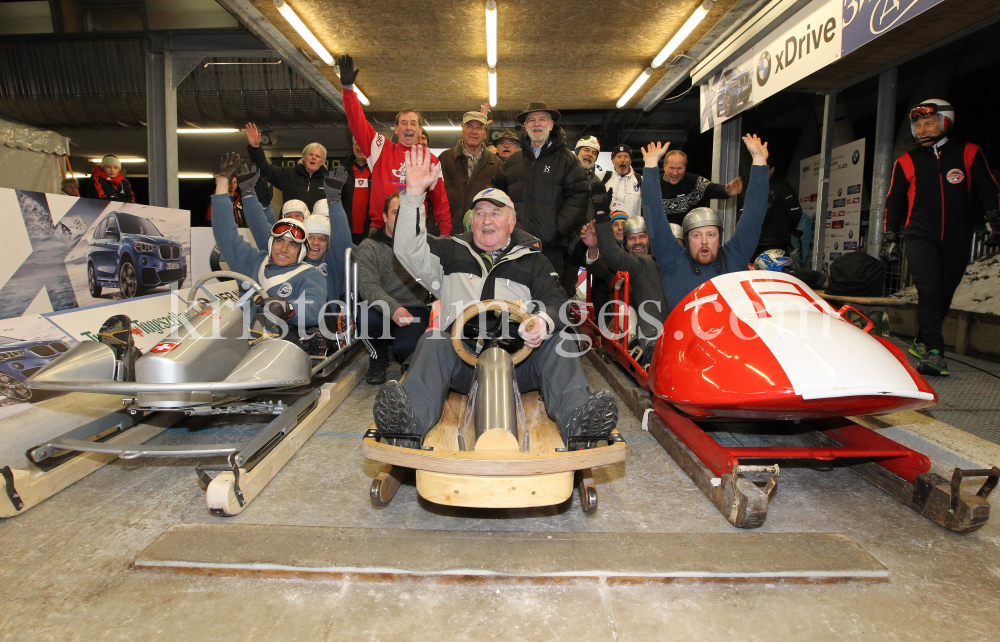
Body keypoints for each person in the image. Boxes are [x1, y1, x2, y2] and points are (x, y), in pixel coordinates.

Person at [375, 145, 618, 449]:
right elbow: (407, 249)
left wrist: (542, 321)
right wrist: (412, 195)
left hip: (520, 365)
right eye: (479, 214)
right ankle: (408, 426)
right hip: (461, 363)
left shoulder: (533, 261)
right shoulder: (450, 252)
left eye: (495, 213)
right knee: (432, 340)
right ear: (471, 221)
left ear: (511, 222)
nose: (486, 220)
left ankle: (579, 424)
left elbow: (557, 302)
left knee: (562, 341)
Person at [880, 99, 1000, 376]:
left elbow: (986, 187)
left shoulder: (970, 152)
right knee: (929, 288)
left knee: (945, 291)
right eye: (918, 124)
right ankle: (933, 352)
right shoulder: (906, 160)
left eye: (929, 123)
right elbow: (894, 200)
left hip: (959, 234)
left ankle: (922, 339)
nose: (922, 129)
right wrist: (890, 236)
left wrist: (994, 220)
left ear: (945, 122)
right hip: (920, 234)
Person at [634, 137, 770, 314]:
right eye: (697, 235)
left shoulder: (734, 258)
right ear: (687, 239)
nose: (704, 241)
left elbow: (754, 216)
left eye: (711, 235)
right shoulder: (672, 260)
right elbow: (654, 218)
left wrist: (759, 161)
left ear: (719, 238)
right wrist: (651, 165)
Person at [210, 153, 327, 340]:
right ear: (271, 242)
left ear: (301, 251)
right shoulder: (253, 263)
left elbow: (314, 308)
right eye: (279, 241)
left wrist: (288, 309)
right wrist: (223, 183)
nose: (283, 249)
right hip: (236, 339)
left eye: (292, 245)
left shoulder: (310, 274)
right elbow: (226, 234)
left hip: (280, 342)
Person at [337, 55, 452, 236]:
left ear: (420, 130)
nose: (408, 127)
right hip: (380, 230)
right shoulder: (380, 148)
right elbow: (357, 122)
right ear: (396, 129)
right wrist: (348, 90)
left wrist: (445, 236)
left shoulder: (431, 160)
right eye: (404, 123)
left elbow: (440, 202)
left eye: (413, 123)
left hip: (415, 230)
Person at [490, 101, 589, 295]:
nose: (537, 124)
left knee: (547, 304)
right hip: (514, 248)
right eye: (531, 120)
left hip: (550, 249)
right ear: (526, 126)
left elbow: (579, 196)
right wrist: (502, 225)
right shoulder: (513, 161)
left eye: (542, 119)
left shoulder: (568, 160)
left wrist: (556, 228)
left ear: (551, 125)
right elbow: (495, 192)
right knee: (513, 304)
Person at [240, 165, 356, 311]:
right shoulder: (286, 257)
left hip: (324, 325)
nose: (315, 243)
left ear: (328, 243)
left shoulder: (333, 264)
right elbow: (261, 230)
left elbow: (343, 242)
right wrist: (249, 195)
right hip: (285, 322)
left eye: (322, 239)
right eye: (310, 237)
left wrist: (334, 200)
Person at [357, 191, 433, 384]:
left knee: (408, 346)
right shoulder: (369, 246)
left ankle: (406, 361)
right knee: (365, 318)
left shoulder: (426, 244)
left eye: (406, 212)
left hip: (415, 306)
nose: (400, 217)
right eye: (395, 212)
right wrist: (393, 308)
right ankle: (377, 356)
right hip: (381, 306)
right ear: (384, 217)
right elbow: (367, 285)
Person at [588, 208, 667, 368]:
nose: (637, 242)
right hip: (626, 319)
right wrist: (593, 248)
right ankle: (635, 347)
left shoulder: (658, 263)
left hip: (655, 317)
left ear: (649, 239)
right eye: (632, 238)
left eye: (641, 237)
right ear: (626, 241)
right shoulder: (618, 262)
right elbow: (598, 268)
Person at [439, 111, 503, 234]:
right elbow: (433, 198)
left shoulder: (496, 164)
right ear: (462, 129)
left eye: (479, 127)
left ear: (485, 133)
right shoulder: (444, 159)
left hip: (483, 234)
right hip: (448, 233)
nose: (474, 131)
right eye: (469, 126)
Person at [245, 124, 329, 210]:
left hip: (318, 222)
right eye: (310, 154)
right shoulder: (288, 174)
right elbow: (265, 169)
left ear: (322, 162)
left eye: (317, 156)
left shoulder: (329, 181)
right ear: (304, 158)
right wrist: (255, 148)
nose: (313, 157)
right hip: (289, 222)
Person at [659, 149, 741, 224]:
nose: (675, 173)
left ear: (685, 168)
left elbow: (711, 188)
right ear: (664, 166)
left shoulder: (693, 181)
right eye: (671, 168)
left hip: (687, 235)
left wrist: (726, 191)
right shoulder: (654, 184)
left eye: (679, 168)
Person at [753, 157, 803, 257]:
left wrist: (787, 229)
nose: (760, 173)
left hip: (776, 242)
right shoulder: (754, 186)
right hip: (756, 242)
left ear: (772, 169)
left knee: (774, 271)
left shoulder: (781, 186)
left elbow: (796, 212)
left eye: (764, 169)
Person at [342, 136, 373, 244]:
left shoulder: (378, 170)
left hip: (371, 232)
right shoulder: (342, 170)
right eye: (356, 143)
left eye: (362, 144)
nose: (359, 147)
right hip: (346, 231)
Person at [601, 144, 642, 218]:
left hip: (632, 228)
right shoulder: (602, 177)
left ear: (631, 161)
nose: (622, 160)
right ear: (613, 161)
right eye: (619, 156)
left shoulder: (641, 180)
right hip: (609, 227)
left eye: (626, 156)